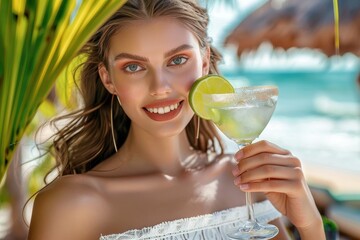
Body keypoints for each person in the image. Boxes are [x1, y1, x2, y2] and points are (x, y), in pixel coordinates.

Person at [28, 0, 325, 239]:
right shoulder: (70, 205)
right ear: (108, 79)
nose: (160, 87)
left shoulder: (247, 180)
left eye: (178, 60)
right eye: (133, 67)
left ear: (205, 61)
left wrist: (311, 225)